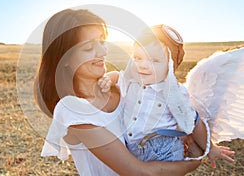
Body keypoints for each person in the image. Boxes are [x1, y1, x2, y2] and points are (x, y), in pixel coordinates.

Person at [34, 8, 203, 175]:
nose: (103, 52)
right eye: (88, 48)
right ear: (64, 58)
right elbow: (140, 173)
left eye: (102, 42)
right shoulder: (72, 109)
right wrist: (193, 163)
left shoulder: (126, 89)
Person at [98, 25, 235, 168]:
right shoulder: (131, 82)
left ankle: (193, 146)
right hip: (133, 150)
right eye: (138, 58)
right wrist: (109, 78)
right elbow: (118, 76)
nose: (143, 65)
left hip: (163, 151)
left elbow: (194, 122)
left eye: (154, 61)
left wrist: (211, 148)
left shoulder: (173, 93)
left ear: (170, 66)